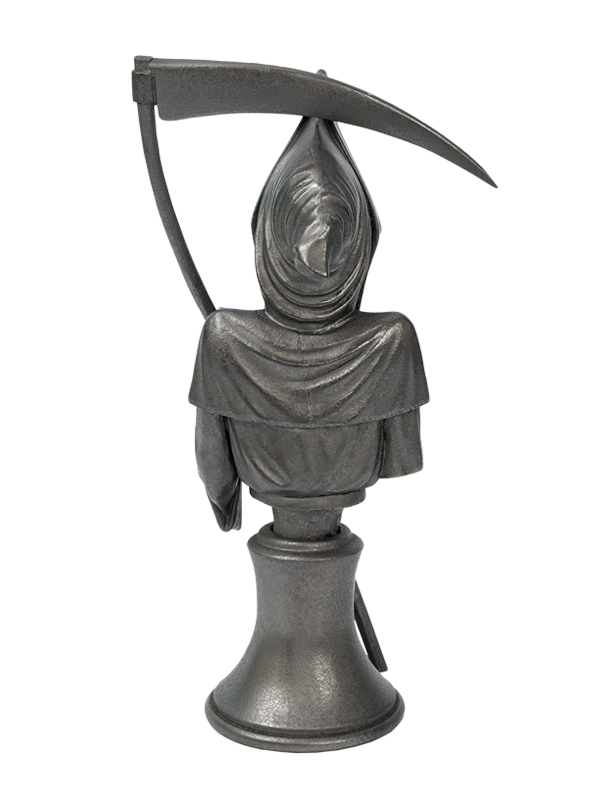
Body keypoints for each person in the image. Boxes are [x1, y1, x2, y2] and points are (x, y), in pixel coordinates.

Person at [189, 117, 429, 540]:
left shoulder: (224, 336)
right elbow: (402, 455)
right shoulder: (392, 340)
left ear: (267, 239)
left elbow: (214, 465)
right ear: (361, 245)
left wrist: (225, 506)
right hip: (347, 486)